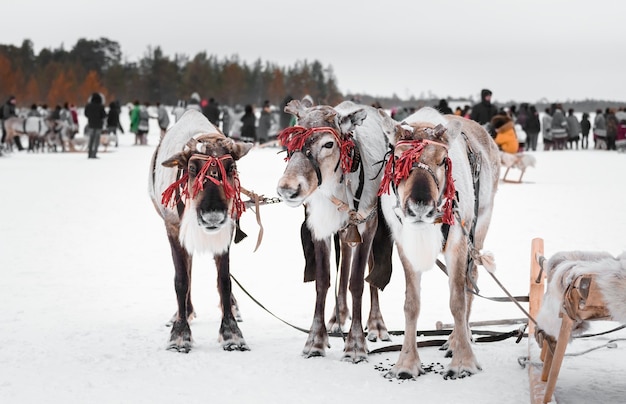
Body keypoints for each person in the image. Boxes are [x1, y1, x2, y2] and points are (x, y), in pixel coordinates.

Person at [84, 92, 107, 159]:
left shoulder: (88, 106)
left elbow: (86, 114)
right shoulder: (100, 106)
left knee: (91, 139)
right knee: (96, 140)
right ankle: (94, 153)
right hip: (99, 125)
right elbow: (104, 115)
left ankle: (89, 153)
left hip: (90, 124)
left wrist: (90, 117)